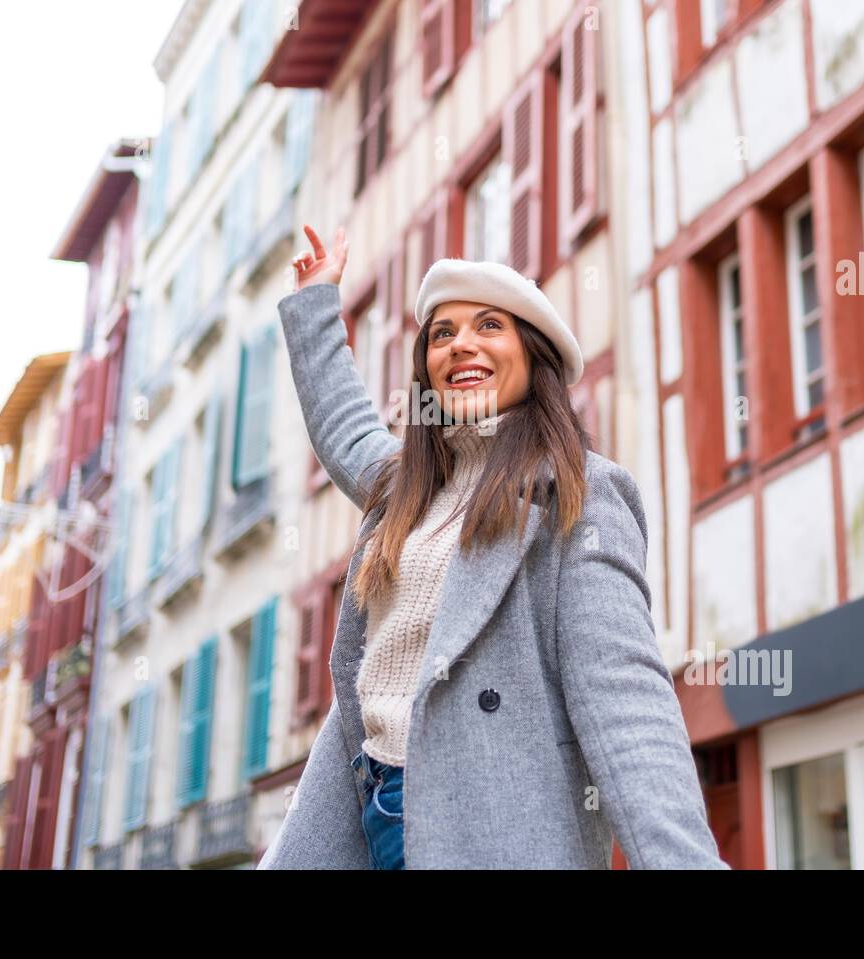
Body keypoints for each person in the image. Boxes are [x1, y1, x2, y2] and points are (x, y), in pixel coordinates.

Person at [257, 224, 729, 870]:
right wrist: (315, 300)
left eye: (489, 326)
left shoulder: (580, 496)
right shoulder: (409, 484)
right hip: (361, 808)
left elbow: (628, 708)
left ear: (533, 355)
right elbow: (345, 427)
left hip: (480, 823)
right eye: (442, 334)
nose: (462, 345)